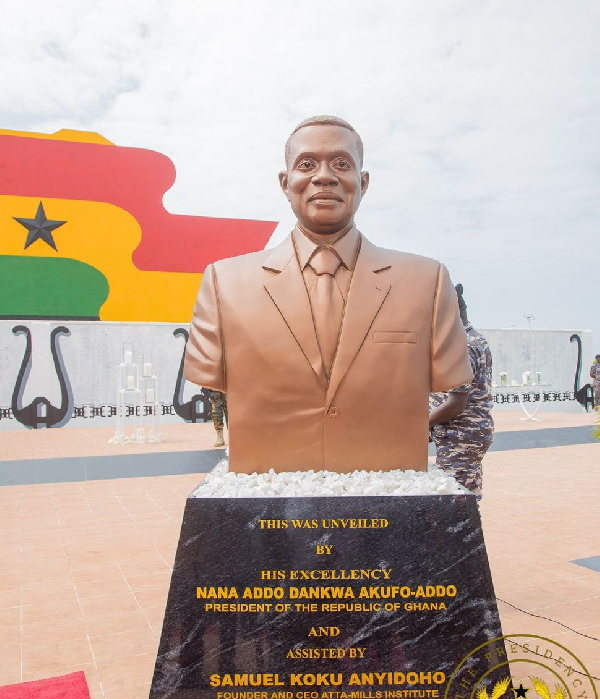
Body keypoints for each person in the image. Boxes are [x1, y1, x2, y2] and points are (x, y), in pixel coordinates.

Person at [184, 116, 472, 474]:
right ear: (285, 183)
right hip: (267, 478)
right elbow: (206, 371)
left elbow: (450, 377)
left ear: (363, 183)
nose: (324, 176)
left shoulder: (427, 282)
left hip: (390, 475)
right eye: (307, 164)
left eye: (341, 164)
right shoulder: (223, 283)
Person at [429, 284, 494, 497]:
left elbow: (455, 405)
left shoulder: (462, 345)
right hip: (465, 433)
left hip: (460, 436)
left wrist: (418, 424)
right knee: (467, 497)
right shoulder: (473, 338)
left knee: (454, 501)